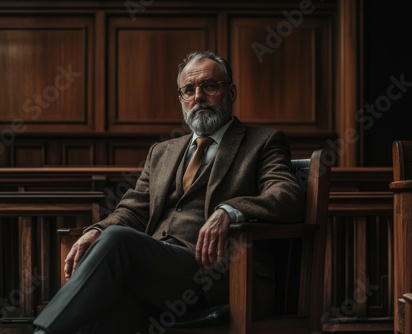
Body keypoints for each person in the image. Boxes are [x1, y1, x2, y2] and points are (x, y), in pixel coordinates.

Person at [33, 50, 305, 334]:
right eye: (189, 89)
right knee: (107, 295)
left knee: (118, 244)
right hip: (158, 271)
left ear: (231, 91)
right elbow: (132, 210)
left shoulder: (263, 142)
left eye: (209, 86)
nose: (198, 96)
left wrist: (230, 211)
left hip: (219, 274)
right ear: (181, 99)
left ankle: (44, 333)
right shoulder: (162, 151)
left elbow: (287, 195)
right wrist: (97, 230)